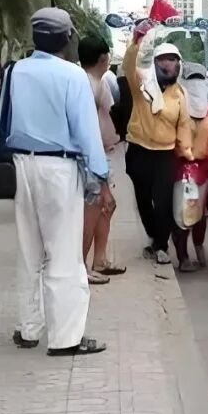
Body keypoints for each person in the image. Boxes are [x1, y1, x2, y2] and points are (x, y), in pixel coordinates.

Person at [0, 8, 111, 358]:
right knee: (63, 253)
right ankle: (65, 338)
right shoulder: (72, 75)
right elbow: (87, 133)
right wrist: (101, 177)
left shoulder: (15, 71)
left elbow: (2, 123)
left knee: (28, 250)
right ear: (66, 38)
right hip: (59, 168)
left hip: (22, 164)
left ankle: (28, 328)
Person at [122, 39, 194, 265]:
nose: (167, 64)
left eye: (172, 60)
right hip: (139, 150)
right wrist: (135, 43)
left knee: (163, 201)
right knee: (143, 199)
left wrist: (187, 152)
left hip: (165, 154)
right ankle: (154, 236)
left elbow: (183, 125)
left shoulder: (179, 94)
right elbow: (128, 66)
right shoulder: (142, 85)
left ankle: (162, 246)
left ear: (178, 65)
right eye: (163, 59)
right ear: (154, 63)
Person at [78, 36, 124, 285]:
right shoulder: (92, 84)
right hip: (94, 154)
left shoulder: (92, 82)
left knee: (106, 206)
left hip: (100, 152)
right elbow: (94, 123)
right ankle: (83, 265)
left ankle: (100, 259)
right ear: (104, 58)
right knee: (95, 206)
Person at [174, 63, 208, 271]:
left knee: (184, 214)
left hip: (180, 169)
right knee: (197, 212)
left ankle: (184, 256)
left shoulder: (176, 107)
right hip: (201, 171)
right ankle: (196, 251)